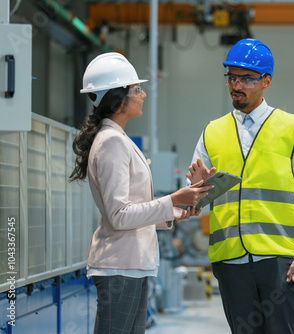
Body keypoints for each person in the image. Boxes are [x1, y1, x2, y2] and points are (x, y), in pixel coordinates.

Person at [69, 52, 212, 334]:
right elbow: (119, 216)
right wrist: (172, 199)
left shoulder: (116, 139)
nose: (143, 95)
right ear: (117, 98)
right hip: (119, 266)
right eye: (137, 89)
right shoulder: (111, 142)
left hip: (131, 265)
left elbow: (131, 209)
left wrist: (176, 211)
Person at [187, 39, 294, 334]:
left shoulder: (292, 128)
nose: (237, 85)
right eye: (232, 77)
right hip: (230, 259)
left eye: (246, 78)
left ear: (266, 81)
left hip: (279, 259)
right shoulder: (212, 132)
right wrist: (195, 190)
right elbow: (191, 203)